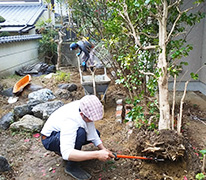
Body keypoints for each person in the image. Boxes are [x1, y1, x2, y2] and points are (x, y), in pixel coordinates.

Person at [41, 95, 114, 180]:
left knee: (96, 133)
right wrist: (97, 154)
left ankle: (70, 153)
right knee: (80, 133)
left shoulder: (84, 106)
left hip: (62, 133)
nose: (92, 121)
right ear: (82, 115)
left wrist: (103, 149)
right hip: (50, 139)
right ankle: (71, 167)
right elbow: (67, 153)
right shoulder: (70, 121)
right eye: (90, 119)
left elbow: (92, 133)